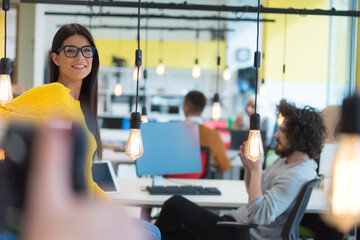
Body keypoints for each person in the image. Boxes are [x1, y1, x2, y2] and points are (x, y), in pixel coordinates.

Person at [155, 99, 326, 240]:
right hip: (237, 225)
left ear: (297, 136)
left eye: (282, 131)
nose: (276, 135)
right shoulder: (286, 163)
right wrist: (250, 168)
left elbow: (259, 214)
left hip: (241, 232)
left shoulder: (297, 174)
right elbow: (254, 193)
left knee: (174, 204)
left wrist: (257, 169)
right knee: (172, 233)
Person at [0, 23, 108, 200]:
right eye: (71, 51)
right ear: (56, 59)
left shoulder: (81, 107)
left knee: (149, 229)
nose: (80, 57)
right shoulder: (56, 93)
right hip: (66, 212)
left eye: (86, 50)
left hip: (83, 210)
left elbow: (86, 180)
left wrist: (113, 210)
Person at [183, 91, 231, 172]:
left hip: (170, 179)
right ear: (203, 108)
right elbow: (225, 166)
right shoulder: (213, 135)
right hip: (200, 181)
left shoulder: (172, 133)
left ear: (185, 108)